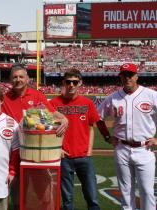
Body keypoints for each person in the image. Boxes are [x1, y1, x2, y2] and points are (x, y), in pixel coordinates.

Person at [0, 63, 68, 210]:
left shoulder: (37, 95)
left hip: (34, 152)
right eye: (14, 77)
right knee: (16, 194)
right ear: (10, 80)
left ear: (27, 79)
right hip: (12, 153)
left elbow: (51, 112)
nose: (18, 80)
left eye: (21, 77)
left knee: (40, 193)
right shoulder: (5, 98)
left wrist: (63, 117)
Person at [97, 63, 157, 210]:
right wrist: (106, 137)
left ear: (137, 76)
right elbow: (98, 118)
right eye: (124, 75)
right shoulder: (113, 98)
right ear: (120, 77)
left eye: (130, 75)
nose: (127, 78)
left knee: (147, 191)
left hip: (145, 149)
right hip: (121, 148)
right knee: (125, 191)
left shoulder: (151, 95)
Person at [49, 69, 101, 210]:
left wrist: (89, 151)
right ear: (63, 83)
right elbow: (49, 130)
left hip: (84, 156)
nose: (71, 85)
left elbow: (91, 128)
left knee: (92, 197)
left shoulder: (87, 103)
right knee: (68, 200)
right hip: (64, 157)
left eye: (75, 82)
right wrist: (58, 148)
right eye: (68, 82)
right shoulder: (54, 103)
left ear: (80, 83)